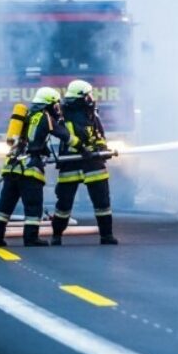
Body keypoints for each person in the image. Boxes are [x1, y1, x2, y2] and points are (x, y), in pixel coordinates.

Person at [0, 87, 67, 247]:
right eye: (56, 105)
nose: (57, 108)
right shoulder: (45, 117)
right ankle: (31, 238)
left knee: (4, 207)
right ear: (50, 104)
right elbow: (65, 135)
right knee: (33, 206)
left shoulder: (26, 115)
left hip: (11, 167)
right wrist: (82, 147)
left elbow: (28, 139)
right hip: (29, 169)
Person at [52, 79, 118, 245]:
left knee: (102, 202)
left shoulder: (91, 114)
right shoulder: (63, 115)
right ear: (81, 96)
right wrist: (83, 148)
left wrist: (102, 150)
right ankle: (57, 234)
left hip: (93, 163)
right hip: (71, 162)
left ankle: (106, 235)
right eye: (88, 94)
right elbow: (63, 135)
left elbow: (99, 135)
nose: (91, 97)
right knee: (64, 205)